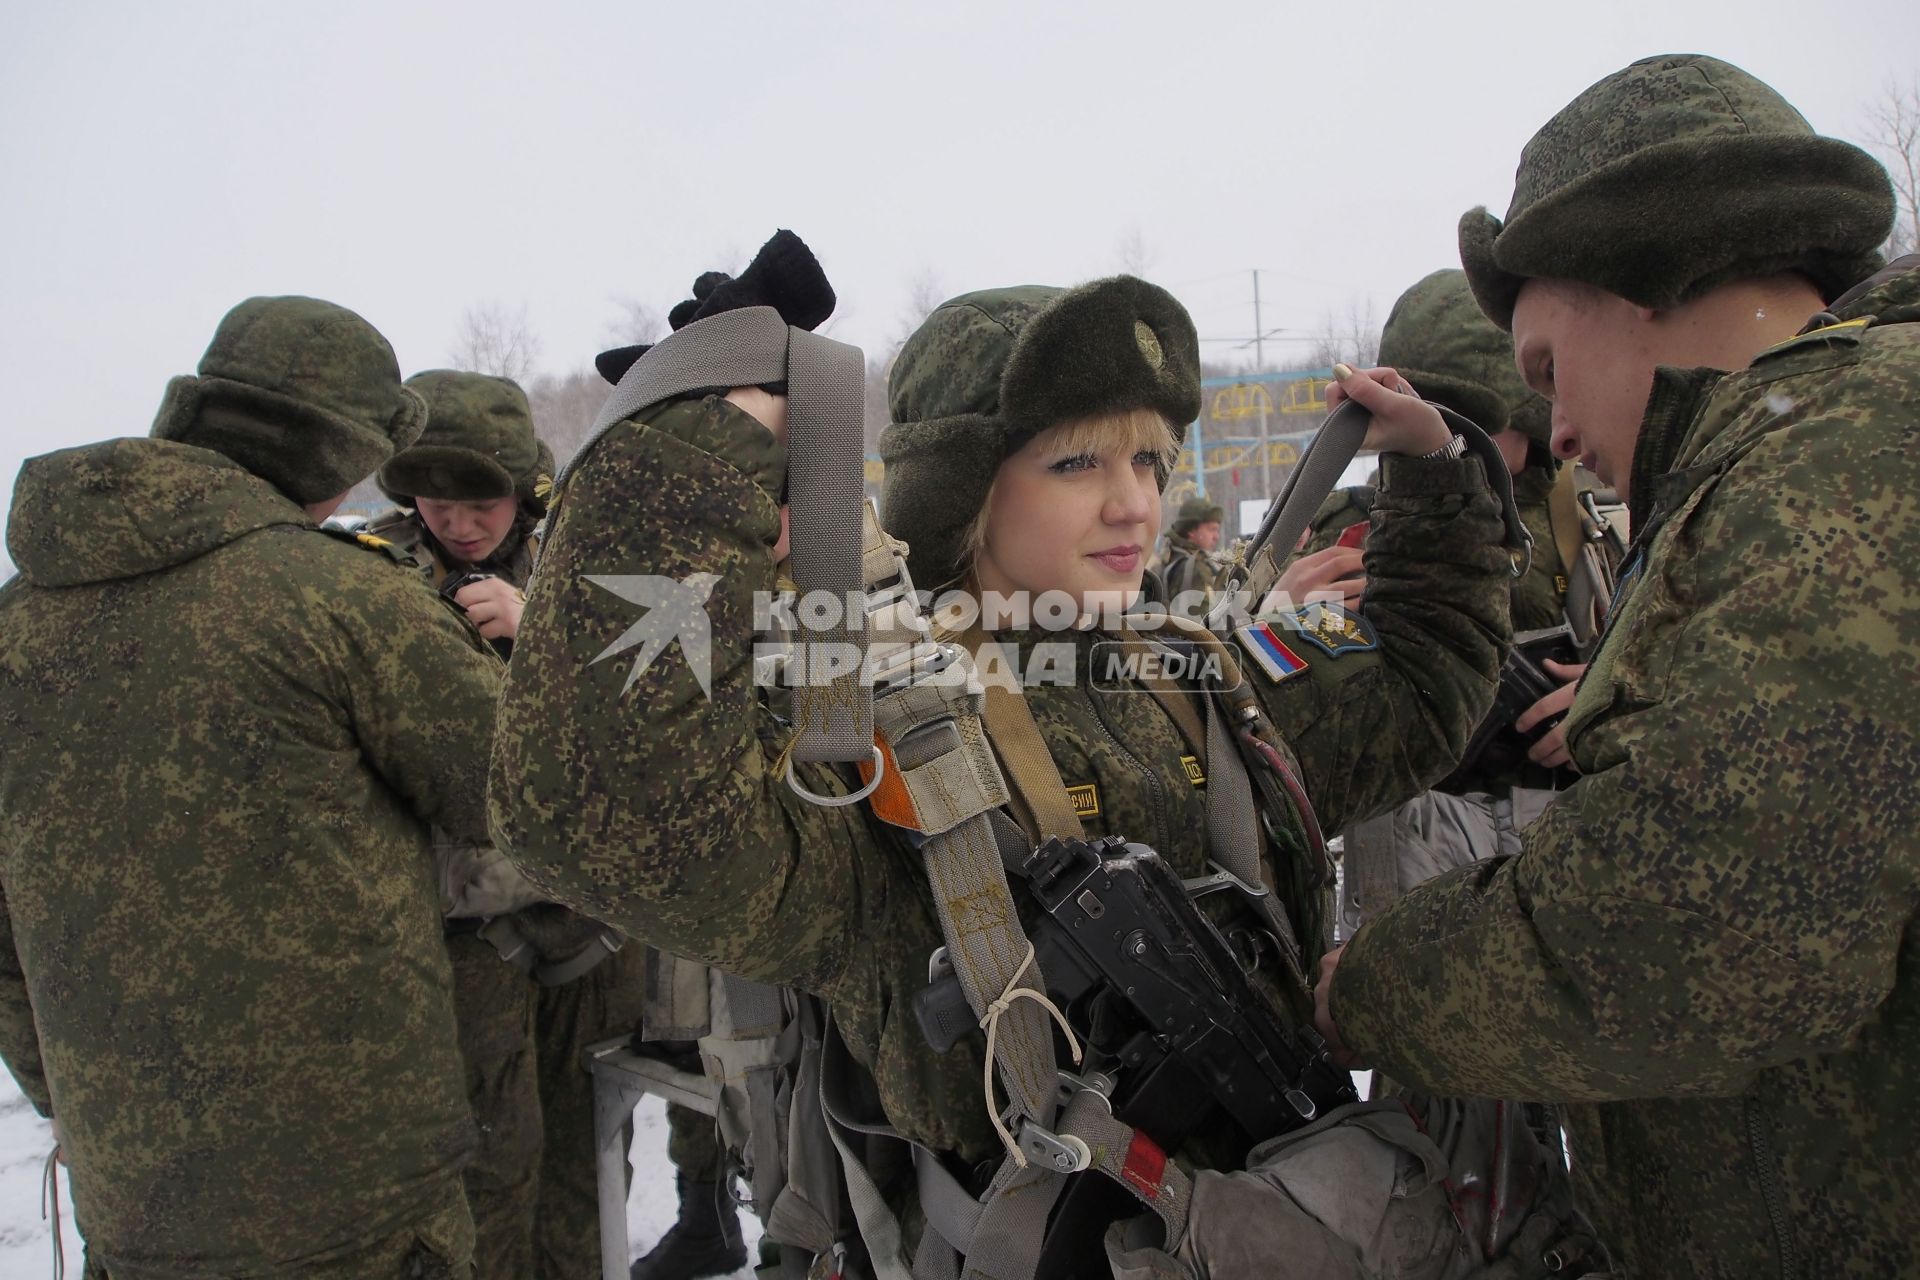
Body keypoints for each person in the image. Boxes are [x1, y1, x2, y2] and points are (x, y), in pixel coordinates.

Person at [489, 241, 1573, 1278]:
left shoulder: (1187, 672)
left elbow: (1420, 691)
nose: (1135, 499)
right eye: (1077, 460)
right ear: (966, 485)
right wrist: (696, 451)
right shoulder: (859, 727)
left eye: (1150, 456)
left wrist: (1435, 477)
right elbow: (599, 813)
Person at [1315, 53, 1920, 1279]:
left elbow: (1690, 931)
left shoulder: (1835, 459)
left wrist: (1359, 991)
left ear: (1637, 266)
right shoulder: (1801, 453)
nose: (1563, 432)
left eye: (1545, 368)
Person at [0, 296, 502, 1277]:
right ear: (334, 452)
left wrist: (75, 1098)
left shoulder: (15, 623)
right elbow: (531, 794)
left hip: (134, 1195)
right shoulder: (339, 598)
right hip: (354, 1202)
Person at [370, 369, 679, 1279]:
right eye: (437, 503)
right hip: (463, 924)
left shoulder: (588, 559)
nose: (459, 525)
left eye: (481, 504)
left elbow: (667, 696)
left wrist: (539, 626)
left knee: (592, 1146)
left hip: (590, 915)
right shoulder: (373, 580)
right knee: (487, 1159)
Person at [1285, 269, 1623, 936]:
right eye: (1426, 415)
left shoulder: (1598, 524)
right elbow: (1294, 725)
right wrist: (1281, 626)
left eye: (1466, 421)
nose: (1442, 439)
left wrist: (1615, 693)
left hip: (1577, 837)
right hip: (1413, 842)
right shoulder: (1349, 530)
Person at [1159, 497, 1227, 604]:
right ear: (1191, 530)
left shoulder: (1170, 557)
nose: (1216, 536)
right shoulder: (1194, 568)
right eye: (1211, 529)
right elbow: (1205, 617)